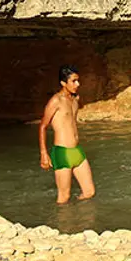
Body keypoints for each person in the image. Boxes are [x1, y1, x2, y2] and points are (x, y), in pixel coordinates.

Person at [39, 65, 97, 203]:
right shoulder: (56, 101)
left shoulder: (75, 100)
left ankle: (79, 220)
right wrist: (44, 153)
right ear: (63, 83)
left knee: (89, 192)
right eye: (74, 81)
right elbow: (43, 126)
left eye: (78, 80)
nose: (78, 84)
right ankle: (60, 224)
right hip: (62, 152)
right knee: (64, 197)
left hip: (77, 151)